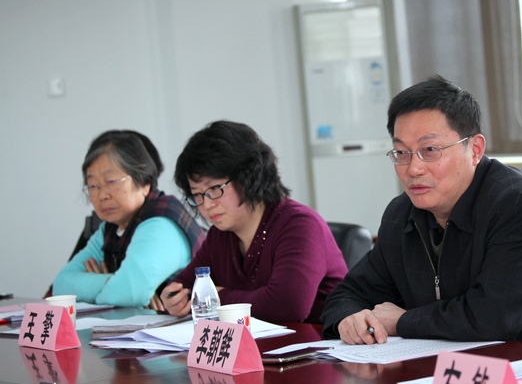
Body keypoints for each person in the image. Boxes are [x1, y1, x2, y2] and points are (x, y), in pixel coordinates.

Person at [321, 76, 522, 345]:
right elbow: (347, 295)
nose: (413, 168)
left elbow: (492, 319)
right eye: (402, 153)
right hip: (453, 362)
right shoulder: (401, 213)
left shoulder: (519, 205)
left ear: (475, 149)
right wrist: (350, 320)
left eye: (430, 150)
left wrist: (402, 321)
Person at [161, 121, 347, 324]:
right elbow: (187, 286)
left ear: (248, 178)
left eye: (214, 188)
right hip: (260, 342)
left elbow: (287, 306)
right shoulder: (220, 235)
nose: (207, 204)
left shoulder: (300, 225)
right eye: (197, 194)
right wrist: (173, 298)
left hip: (320, 340)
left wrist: (217, 298)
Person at [53, 130, 205, 307]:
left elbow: (126, 294)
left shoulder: (160, 224)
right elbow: (61, 286)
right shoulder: (109, 228)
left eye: (111, 181)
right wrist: (113, 281)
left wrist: (118, 288)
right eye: (93, 185)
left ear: (144, 183)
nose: (102, 195)